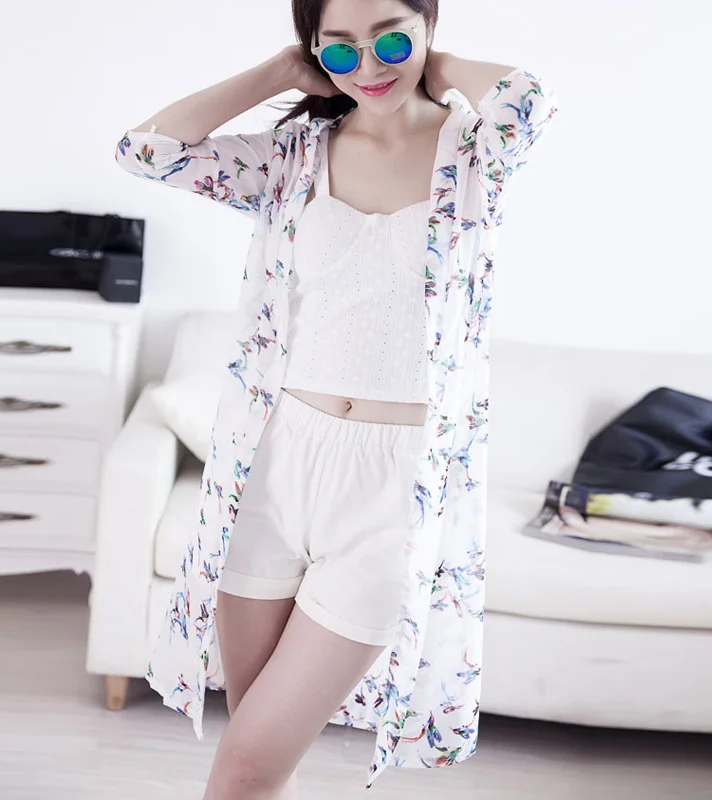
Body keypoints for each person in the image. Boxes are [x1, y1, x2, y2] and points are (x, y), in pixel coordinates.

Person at [115, 0, 558, 797]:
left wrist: (428, 64)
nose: (369, 66)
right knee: (255, 753)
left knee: (245, 766)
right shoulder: (291, 157)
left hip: (393, 487)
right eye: (341, 49)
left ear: (428, 25)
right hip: (274, 468)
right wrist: (283, 71)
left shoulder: (475, 150)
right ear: (316, 51)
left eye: (390, 37)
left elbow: (530, 97)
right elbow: (146, 152)